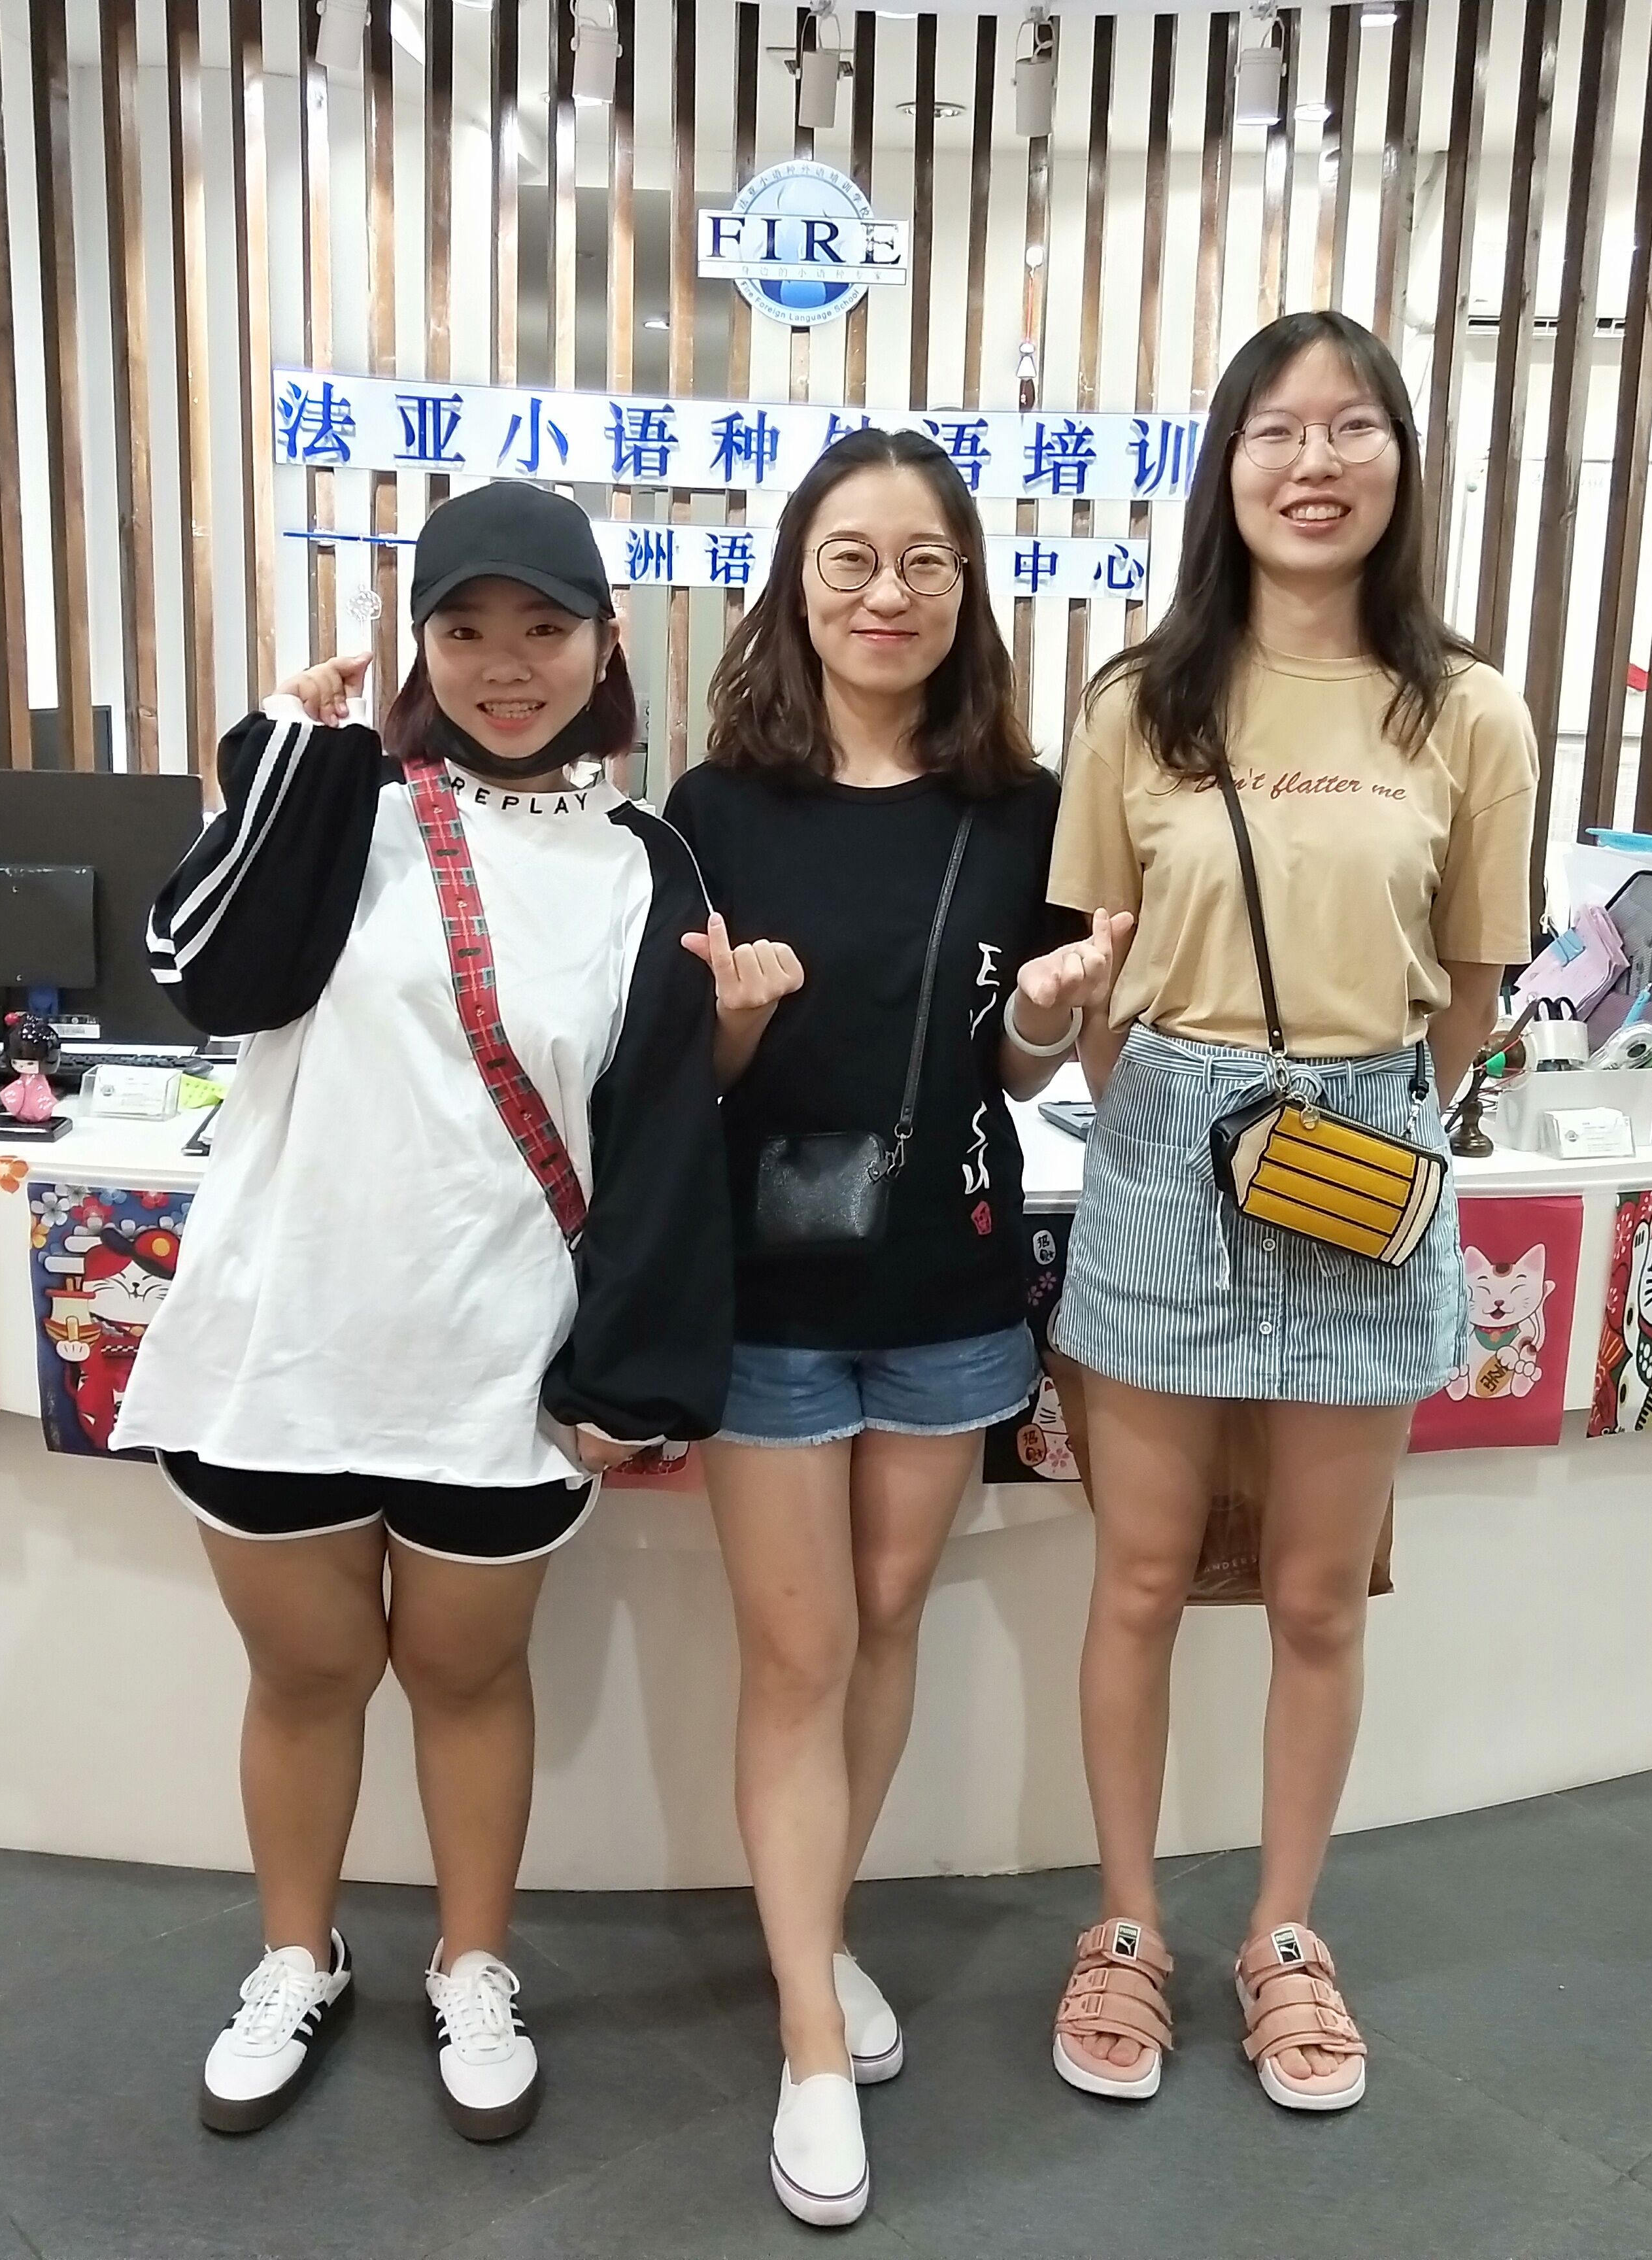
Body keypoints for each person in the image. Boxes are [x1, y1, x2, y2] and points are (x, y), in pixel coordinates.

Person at [114, 482, 733, 2148]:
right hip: (286, 1338)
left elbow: (662, 1129)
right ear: (420, 646)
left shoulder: (647, 862)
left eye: (543, 628)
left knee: (467, 1676)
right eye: (464, 630)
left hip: (496, 1356)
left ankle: (473, 1966)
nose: (504, 665)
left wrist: (632, 1373)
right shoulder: (347, 803)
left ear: (605, 642)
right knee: (306, 1674)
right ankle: (295, 1959)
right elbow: (206, 978)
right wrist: (282, 761)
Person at [1043, 311, 1536, 2114]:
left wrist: (1352, 1121)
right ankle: (1123, 1926)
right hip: (1167, 1152)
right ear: (1226, 468)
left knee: (1320, 1593)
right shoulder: (1138, 702)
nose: (1314, 463)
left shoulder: (1467, 709)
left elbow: (1469, 991)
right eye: (1275, 430)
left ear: (1401, 461)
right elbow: (1097, 980)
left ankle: (1283, 1936)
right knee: (1141, 1579)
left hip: (1362, 1156)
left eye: (1351, 428)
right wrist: (1185, 1109)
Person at [664, 428, 1126, 2226]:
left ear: (966, 590)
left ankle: (821, 1932)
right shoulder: (716, 809)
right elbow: (679, 1083)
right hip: (767, 1299)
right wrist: (733, 1025)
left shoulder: (1025, 810)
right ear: (798, 584)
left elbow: (1017, 1065)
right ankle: (806, 2036)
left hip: (947, 1283)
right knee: (795, 1656)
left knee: (880, 1623)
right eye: (849, 559)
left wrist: (1058, 1010)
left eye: (924, 561)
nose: (887, 593)